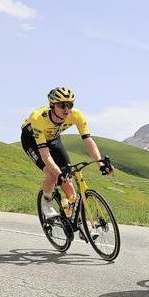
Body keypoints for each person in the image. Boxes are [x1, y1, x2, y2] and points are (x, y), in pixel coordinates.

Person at [21, 87, 112, 220]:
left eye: (69, 105)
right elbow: (45, 154)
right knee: (52, 175)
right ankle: (46, 203)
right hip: (32, 141)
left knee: (67, 180)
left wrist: (100, 163)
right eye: (62, 105)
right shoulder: (38, 118)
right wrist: (58, 173)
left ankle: (78, 222)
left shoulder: (76, 115)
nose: (66, 109)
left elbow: (88, 141)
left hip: (53, 138)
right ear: (52, 105)